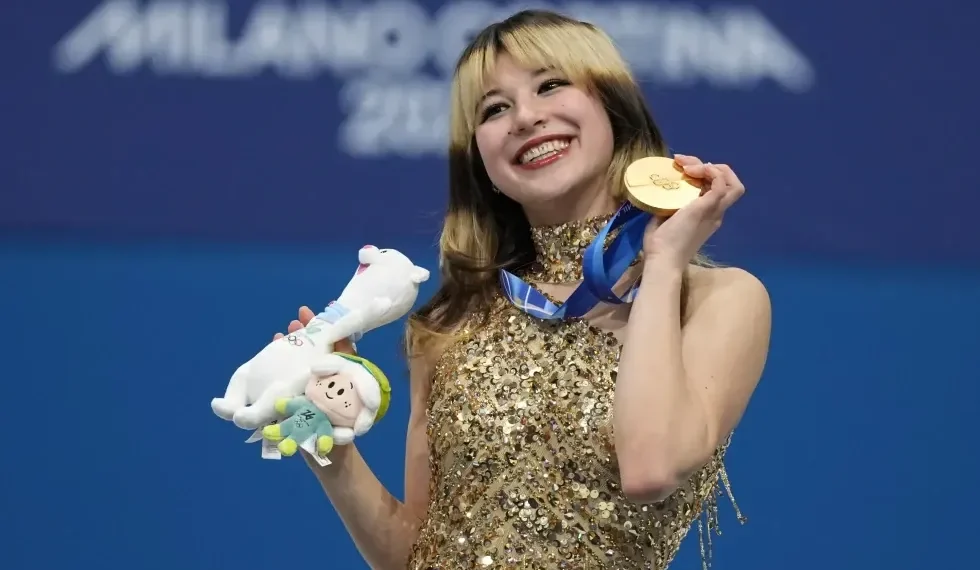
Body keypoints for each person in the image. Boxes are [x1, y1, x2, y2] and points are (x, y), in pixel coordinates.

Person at [273, 9, 771, 570]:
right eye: (494, 109)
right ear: (479, 157)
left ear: (613, 107)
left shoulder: (715, 299)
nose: (526, 117)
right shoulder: (450, 324)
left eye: (551, 84)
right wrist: (328, 440)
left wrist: (660, 263)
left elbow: (648, 469)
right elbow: (415, 553)